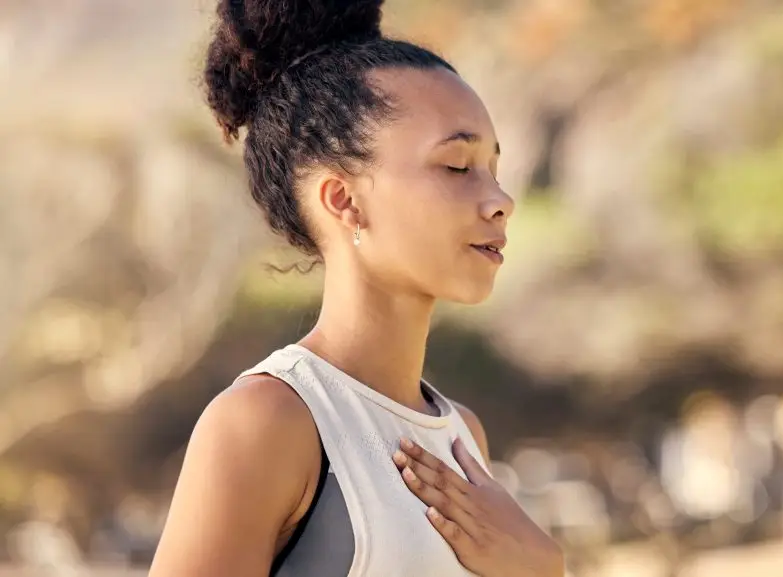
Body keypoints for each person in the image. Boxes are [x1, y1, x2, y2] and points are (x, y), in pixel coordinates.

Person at [147, 1, 565, 576]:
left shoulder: (461, 434)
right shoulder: (268, 422)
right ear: (344, 200)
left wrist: (541, 569)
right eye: (456, 166)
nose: (500, 200)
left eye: (493, 169)